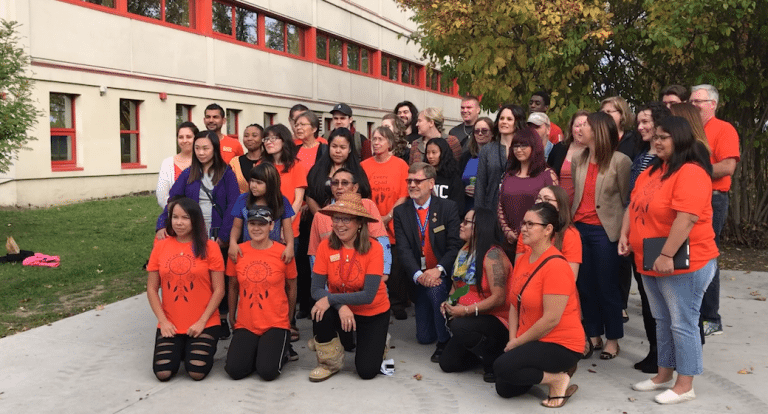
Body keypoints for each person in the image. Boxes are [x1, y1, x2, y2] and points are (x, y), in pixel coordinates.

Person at [620, 116, 718, 404]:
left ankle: (684, 384)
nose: (657, 141)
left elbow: (686, 218)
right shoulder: (653, 169)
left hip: (685, 259)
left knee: (682, 322)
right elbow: (634, 202)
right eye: (656, 137)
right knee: (661, 320)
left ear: (681, 140)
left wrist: (666, 255)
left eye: (665, 137)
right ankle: (663, 374)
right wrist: (626, 234)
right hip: (648, 255)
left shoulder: (691, 172)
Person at [493, 203, 584, 408]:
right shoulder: (525, 259)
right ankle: (550, 374)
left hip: (561, 343)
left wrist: (517, 344)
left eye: (530, 224)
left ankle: (557, 379)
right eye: (523, 223)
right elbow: (515, 304)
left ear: (548, 230)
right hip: (532, 338)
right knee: (504, 388)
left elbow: (551, 319)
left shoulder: (557, 266)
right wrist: (512, 338)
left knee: (502, 367)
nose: (523, 228)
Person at [155, 130, 240, 339]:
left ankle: (219, 318)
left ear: (215, 149)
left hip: (218, 232)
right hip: (195, 232)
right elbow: (173, 199)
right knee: (199, 275)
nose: (201, 153)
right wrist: (161, 224)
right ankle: (197, 314)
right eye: (198, 148)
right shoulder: (189, 173)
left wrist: (226, 235)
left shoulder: (226, 173)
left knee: (217, 277)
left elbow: (233, 205)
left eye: (206, 148)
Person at [309, 193, 391, 381]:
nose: (339, 224)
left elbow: (368, 295)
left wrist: (331, 298)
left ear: (360, 223)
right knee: (320, 310)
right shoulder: (324, 246)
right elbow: (316, 289)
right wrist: (340, 305)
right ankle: (328, 363)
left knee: (367, 371)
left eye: (346, 219)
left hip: (372, 312)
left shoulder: (374, 248)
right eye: (336, 218)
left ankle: (380, 342)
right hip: (342, 312)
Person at [571, 111, 631, 360]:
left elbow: (627, 200)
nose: (581, 129)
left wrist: (625, 234)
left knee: (607, 286)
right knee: (584, 285)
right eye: (580, 125)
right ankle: (593, 333)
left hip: (606, 231)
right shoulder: (578, 158)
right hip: (580, 229)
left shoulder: (621, 161)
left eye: (587, 125)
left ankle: (613, 339)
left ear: (600, 131)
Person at [147, 197, 225, 381]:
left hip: (204, 322)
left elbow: (219, 289)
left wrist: (202, 321)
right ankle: (181, 347)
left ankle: (188, 348)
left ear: (195, 220)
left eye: (185, 218)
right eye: (175, 217)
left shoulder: (210, 247)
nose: (179, 223)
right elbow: (151, 289)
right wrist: (163, 322)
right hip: (171, 323)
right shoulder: (160, 247)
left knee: (196, 373)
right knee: (163, 373)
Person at [393, 163, 462, 362]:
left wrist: (438, 270)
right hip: (417, 279)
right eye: (409, 181)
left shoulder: (447, 207)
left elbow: (454, 246)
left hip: (441, 276)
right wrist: (418, 275)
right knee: (423, 338)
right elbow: (403, 250)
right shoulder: (401, 212)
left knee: (436, 289)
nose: (412, 185)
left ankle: (444, 342)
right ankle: (436, 325)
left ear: (431, 183)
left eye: (418, 181)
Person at [438, 208, 512, 382]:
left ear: (480, 227)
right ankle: (481, 354)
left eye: (466, 222)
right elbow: (461, 287)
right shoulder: (465, 251)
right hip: (472, 317)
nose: (461, 226)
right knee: (447, 364)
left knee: (459, 326)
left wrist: (465, 311)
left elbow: (499, 298)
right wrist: (449, 302)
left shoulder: (494, 255)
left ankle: (493, 358)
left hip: (497, 319)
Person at [225, 207, 297, 381]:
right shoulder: (237, 252)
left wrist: (288, 317)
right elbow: (233, 286)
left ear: (271, 226)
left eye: (262, 224)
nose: (256, 228)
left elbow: (292, 287)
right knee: (234, 370)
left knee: (267, 372)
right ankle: (258, 351)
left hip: (275, 322)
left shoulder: (284, 253)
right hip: (247, 322)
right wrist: (232, 314)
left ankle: (282, 350)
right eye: (252, 223)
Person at [690, 84, 740, 337]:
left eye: (699, 101)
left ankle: (711, 319)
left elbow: (728, 166)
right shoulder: (689, 130)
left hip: (712, 198)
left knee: (706, 257)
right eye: (692, 101)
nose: (694, 105)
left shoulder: (723, 129)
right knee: (687, 256)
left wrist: (694, 174)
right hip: (689, 198)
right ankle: (693, 314)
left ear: (713, 104)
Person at [625, 102, 671, 373]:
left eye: (647, 122)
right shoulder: (640, 154)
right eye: (639, 122)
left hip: (659, 238)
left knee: (665, 300)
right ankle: (656, 352)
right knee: (647, 297)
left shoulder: (669, 159)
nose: (641, 127)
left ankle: (668, 357)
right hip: (639, 237)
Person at [362, 126, 410, 320]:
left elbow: (404, 194)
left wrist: (388, 216)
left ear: (390, 143)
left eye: (381, 139)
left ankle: (397, 303)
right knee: (372, 262)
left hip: (393, 221)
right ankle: (373, 299)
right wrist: (373, 217)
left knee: (395, 265)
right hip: (370, 221)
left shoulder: (400, 165)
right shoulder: (364, 165)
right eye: (373, 139)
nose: (376, 142)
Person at [497, 127, 558, 260]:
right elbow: (500, 204)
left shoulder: (547, 174)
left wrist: (524, 231)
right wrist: (507, 231)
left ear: (534, 146)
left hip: (536, 244)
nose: (519, 150)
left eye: (524, 146)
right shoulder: (509, 175)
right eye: (516, 146)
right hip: (508, 242)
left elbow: (553, 209)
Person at [228, 162, 295, 263]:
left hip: (273, 253)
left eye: (259, 183)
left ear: (271, 184)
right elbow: (236, 226)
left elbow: (287, 228)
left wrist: (290, 246)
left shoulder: (282, 201)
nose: (253, 186)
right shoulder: (243, 199)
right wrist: (232, 243)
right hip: (247, 252)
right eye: (252, 181)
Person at [516, 186, 581, 279]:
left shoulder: (570, 234)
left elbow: (571, 278)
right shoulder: (526, 230)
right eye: (538, 198)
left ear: (560, 206)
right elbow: (518, 275)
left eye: (547, 199)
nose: (541, 202)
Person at [306, 127, 371, 215]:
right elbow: (310, 195)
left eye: (342, 147)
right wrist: (321, 216)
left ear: (350, 149)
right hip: (319, 220)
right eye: (334, 146)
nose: (338, 151)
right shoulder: (318, 169)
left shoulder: (357, 171)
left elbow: (364, 195)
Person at [475, 104, 526, 211]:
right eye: (501, 118)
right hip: (491, 209)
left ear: (517, 122)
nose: (504, 122)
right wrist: (479, 213)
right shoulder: (487, 150)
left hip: (518, 208)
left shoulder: (525, 149)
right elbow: (480, 185)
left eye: (509, 119)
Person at [547, 110, 588, 206]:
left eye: (585, 126)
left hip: (583, 210)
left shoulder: (595, 151)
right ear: (571, 128)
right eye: (577, 126)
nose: (581, 129)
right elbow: (548, 174)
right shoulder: (559, 148)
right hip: (558, 207)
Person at [157, 121, 199, 208]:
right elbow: (162, 196)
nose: (184, 141)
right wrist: (177, 213)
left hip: (201, 216)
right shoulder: (167, 163)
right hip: (175, 216)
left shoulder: (203, 162)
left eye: (189, 137)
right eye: (180, 137)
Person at [460, 116, 494, 214]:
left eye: (484, 131)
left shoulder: (497, 156)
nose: (480, 133)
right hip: (467, 209)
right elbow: (457, 182)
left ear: (492, 133)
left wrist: (480, 191)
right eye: (476, 131)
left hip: (487, 210)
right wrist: (463, 189)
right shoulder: (466, 156)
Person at [425, 138, 465, 213]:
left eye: (434, 152)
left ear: (443, 153)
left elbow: (458, 206)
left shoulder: (453, 177)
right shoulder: (423, 176)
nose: (430, 156)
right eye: (428, 152)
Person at [601, 96, 641, 162]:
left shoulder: (634, 139)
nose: (604, 116)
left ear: (622, 114)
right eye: (602, 113)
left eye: (608, 112)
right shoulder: (598, 138)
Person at [229, 123, 264, 194]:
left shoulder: (269, 161)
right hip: (241, 203)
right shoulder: (235, 162)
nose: (249, 139)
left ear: (262, 138)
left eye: (254, 136)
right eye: (246, 136)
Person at [293, 110, 328, 175]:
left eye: (303, 125)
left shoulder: (324, 150)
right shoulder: (294, 150)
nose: (298, 128)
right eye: (296, 125)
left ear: (314, 129)